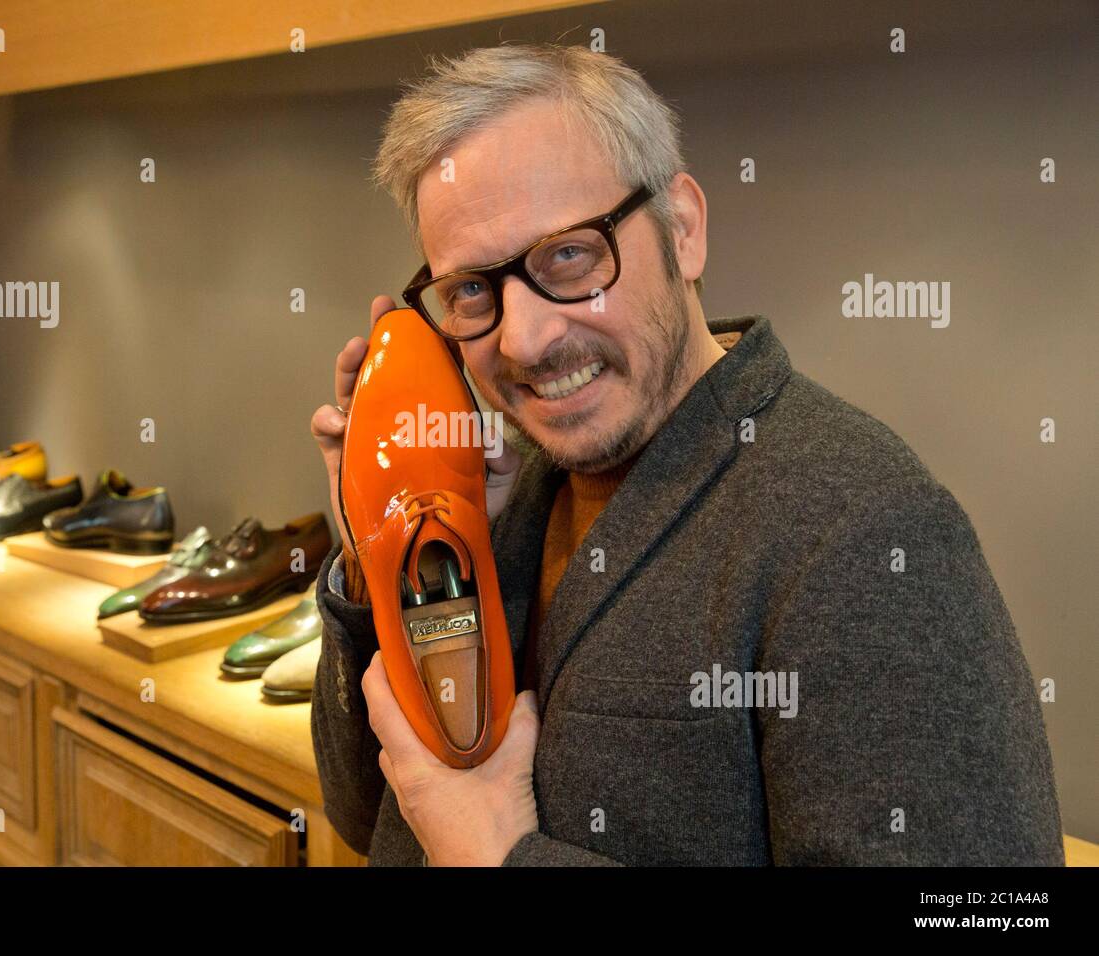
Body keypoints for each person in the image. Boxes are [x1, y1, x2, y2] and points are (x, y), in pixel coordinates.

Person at [308, 44, 1063, 866]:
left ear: (684, 229)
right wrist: (371, 547)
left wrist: (501, 858)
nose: (526, 339)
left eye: (569, 255)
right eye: (471, 291)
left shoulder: (865, 532)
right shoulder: (513, 494)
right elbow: (366, 811)